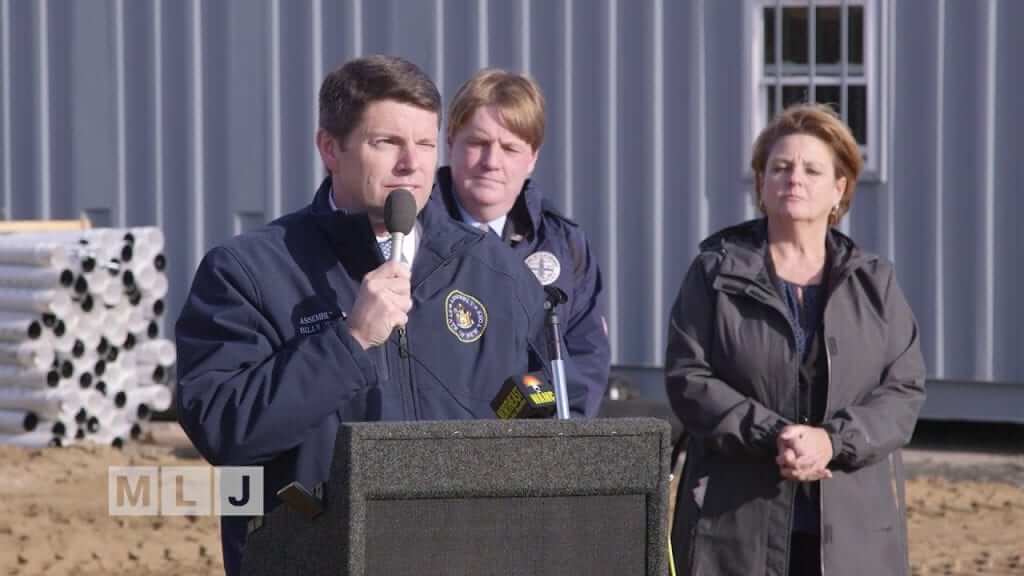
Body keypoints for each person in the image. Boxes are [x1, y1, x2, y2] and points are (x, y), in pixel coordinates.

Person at [174, 56, 550, 575]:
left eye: (423, 143)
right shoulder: (248, 272)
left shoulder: (497, 274)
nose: (411, 164)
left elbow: (529, 411)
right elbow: (222, 429)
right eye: (386, 143)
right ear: (330, 148)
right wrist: (349, 343)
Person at [665, 104, 926, 576]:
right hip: (736, 525)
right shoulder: (714, 273)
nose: (794, 179)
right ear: (761, 183)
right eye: (780, 168)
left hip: (853, 532)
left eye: (812, 169)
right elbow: (689, 377)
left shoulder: (875, 282)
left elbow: (903, 390)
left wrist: (833, 442)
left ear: (839, 189)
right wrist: (774, 435)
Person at [432, 68, 610, 417]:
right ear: (451, 143)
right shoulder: (409, 235)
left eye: (510, 148)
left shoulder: (563, 244)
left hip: (531, 452)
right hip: (433, 448)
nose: (491, 162)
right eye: (478, 143)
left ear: (532, 158)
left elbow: (586, 359)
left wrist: (559, 438)